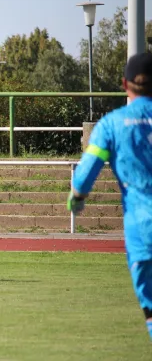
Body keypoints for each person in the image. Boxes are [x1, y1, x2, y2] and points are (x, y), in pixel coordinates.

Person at [67, 52, 152, 341]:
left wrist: (77, 196)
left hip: (142, 233)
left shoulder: (112, 125)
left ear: (124, 83)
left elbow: (86, 170)